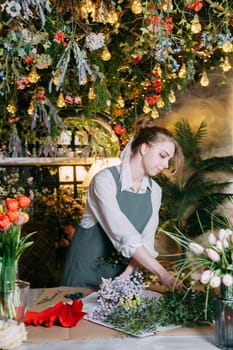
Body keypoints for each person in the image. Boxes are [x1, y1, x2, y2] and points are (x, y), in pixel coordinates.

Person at [61, 114, 184, 290]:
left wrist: (124, 277)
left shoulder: (154, 191)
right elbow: (125, 234)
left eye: (168, 160)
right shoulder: (105, 180)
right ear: (144, 148)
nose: (165, 165)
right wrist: (163, 274)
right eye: (162, 156)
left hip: (123, 279)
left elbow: (145, 241)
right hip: (84, 275)